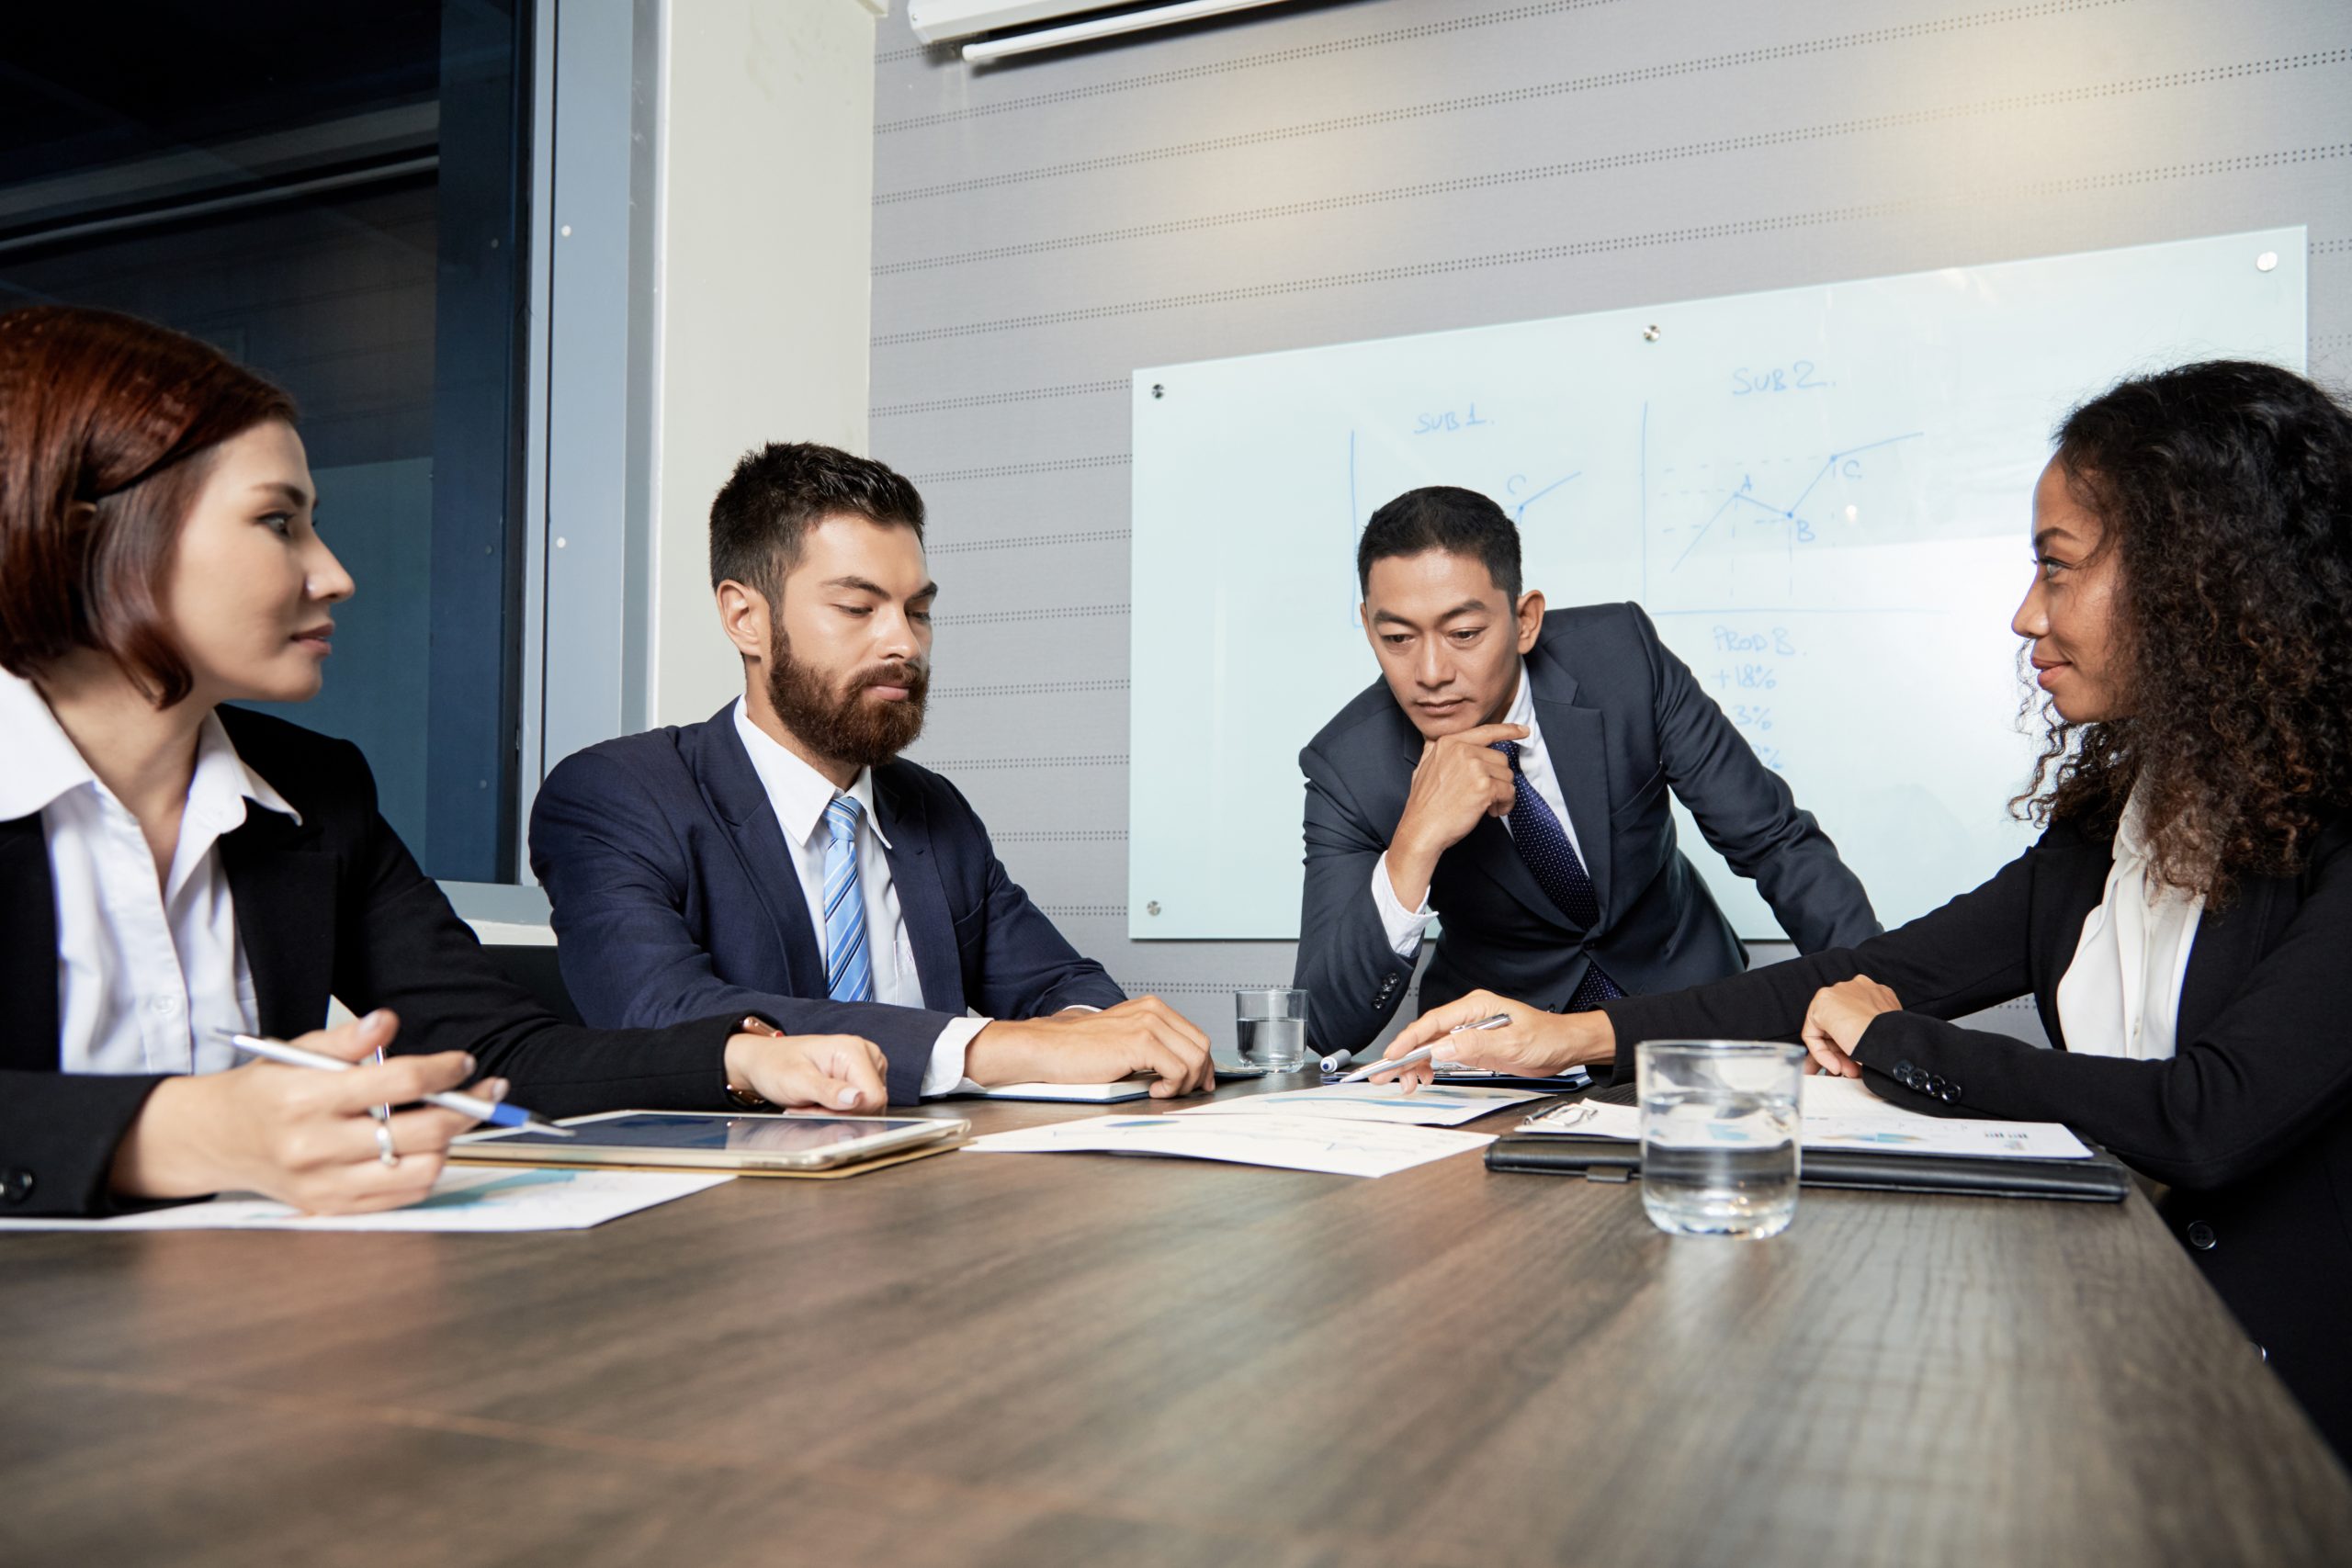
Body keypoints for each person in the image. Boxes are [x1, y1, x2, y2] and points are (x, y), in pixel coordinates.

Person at [1380, 362, 2352, 1457]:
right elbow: (1871, 969)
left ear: (2198, 583)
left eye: (2057, 568)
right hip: (2131, 1360)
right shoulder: (2109, 828)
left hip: (2291, 1422)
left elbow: (2206, 1118)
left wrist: (1893, 1038)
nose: (2026, 612)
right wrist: (1575, 1036)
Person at [0, 306, 893, 1219]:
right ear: (87, 542)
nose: (333, 574)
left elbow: (495, 1049)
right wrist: (186, 1131)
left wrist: (743, 1059)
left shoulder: (316, 792)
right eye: (277, 522)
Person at [527, 442, 1214, 1104]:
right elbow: (664, 1011)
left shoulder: (931, 808)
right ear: (745, 618)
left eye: (918, 610)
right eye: (858, 608)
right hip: (725, 1199)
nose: (904, 643)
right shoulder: (616, 796)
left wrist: (1081, 1028)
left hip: (938, 1193)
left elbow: (1061, 984)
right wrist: (994, 1049)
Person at [1294, 486, 1880, 1059]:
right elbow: (1322, 1021)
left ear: (1525, 621)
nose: (1430, 672)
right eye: (1396, 638)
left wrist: (1884, 1015)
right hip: (1500, 1057)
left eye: (1464, 634)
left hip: (1689, 1014)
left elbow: (1775, 842)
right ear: (1369, 626)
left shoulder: (1623, 657)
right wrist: (1413, 843)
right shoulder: (1347, 767)